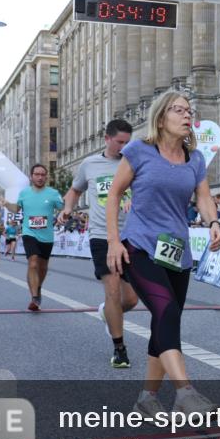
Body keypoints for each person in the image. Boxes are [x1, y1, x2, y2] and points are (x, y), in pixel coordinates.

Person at [106, 90, 220, 416]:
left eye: (189, 111)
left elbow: (203, 197)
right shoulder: (139, 150)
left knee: (166, 320)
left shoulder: (195, 159)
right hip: (139, 245)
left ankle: (147, 398)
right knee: (167, 310)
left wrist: (213, 221)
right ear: (161, 118)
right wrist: (114, 241)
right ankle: (185, 392)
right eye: (179, 110)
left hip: (176, 252)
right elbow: (114, 194)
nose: (187, 115)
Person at [59, 119, 139, 369]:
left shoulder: (134, 162)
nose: (124, 147)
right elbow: (75, 190)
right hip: (102, 235)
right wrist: (68, 208)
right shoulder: (90, 164)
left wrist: (135, 199)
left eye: (128, 143)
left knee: (131, 300)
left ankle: (107, 312)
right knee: (112, 291)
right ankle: (119, 349)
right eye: (119, 142)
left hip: (130, 235)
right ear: (107, 139)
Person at [0, 164, 64, 311]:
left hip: (47, 235)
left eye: (43, 175)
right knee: (33, 263)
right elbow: (16, 208)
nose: (40, 177)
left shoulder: (53, 193)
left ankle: (38, 287)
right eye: (37, 174)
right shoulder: (24, 193)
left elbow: (63, 208)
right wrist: (7, 204)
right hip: (29, 232)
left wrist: (63, 214)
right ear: (31, 176)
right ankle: (34, 297)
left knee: (43, 267)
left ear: (46, 177)